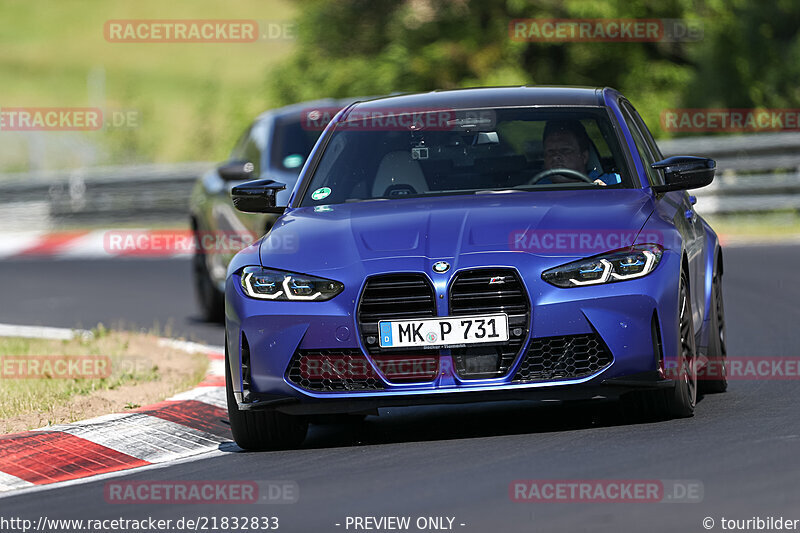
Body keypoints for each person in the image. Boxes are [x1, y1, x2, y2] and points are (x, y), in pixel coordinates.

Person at [539, 120, 621, 186]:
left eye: (565, 150)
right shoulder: (534, 189)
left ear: (584, 157)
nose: (555, 157)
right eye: (550, 152)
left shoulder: (611, 183)